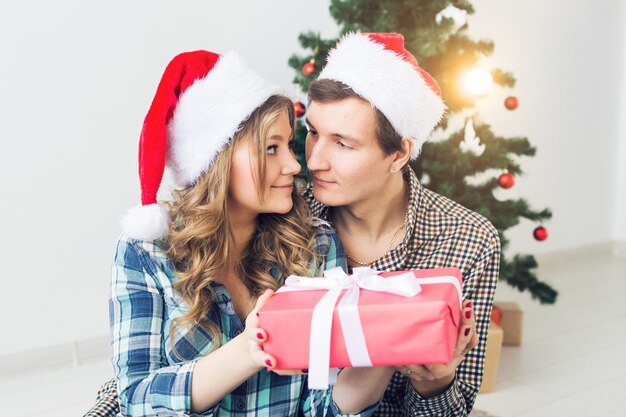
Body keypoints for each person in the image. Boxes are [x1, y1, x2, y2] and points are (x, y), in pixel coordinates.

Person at [86, 50, 393, 417]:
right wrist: (250, 349)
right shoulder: (147, 251)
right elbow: (136, 399)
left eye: (289, 146)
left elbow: (324, 407)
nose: (295, 165)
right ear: (216, 159)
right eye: (271, 148)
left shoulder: (317, 246)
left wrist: (388, 350)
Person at [302, 32, 501, 416]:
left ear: (399, 153)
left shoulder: (468, 241)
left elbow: (456, 409)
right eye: (313, 133)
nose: (314, 161)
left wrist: (435, 384)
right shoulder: (286, 218)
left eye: (343, 144)